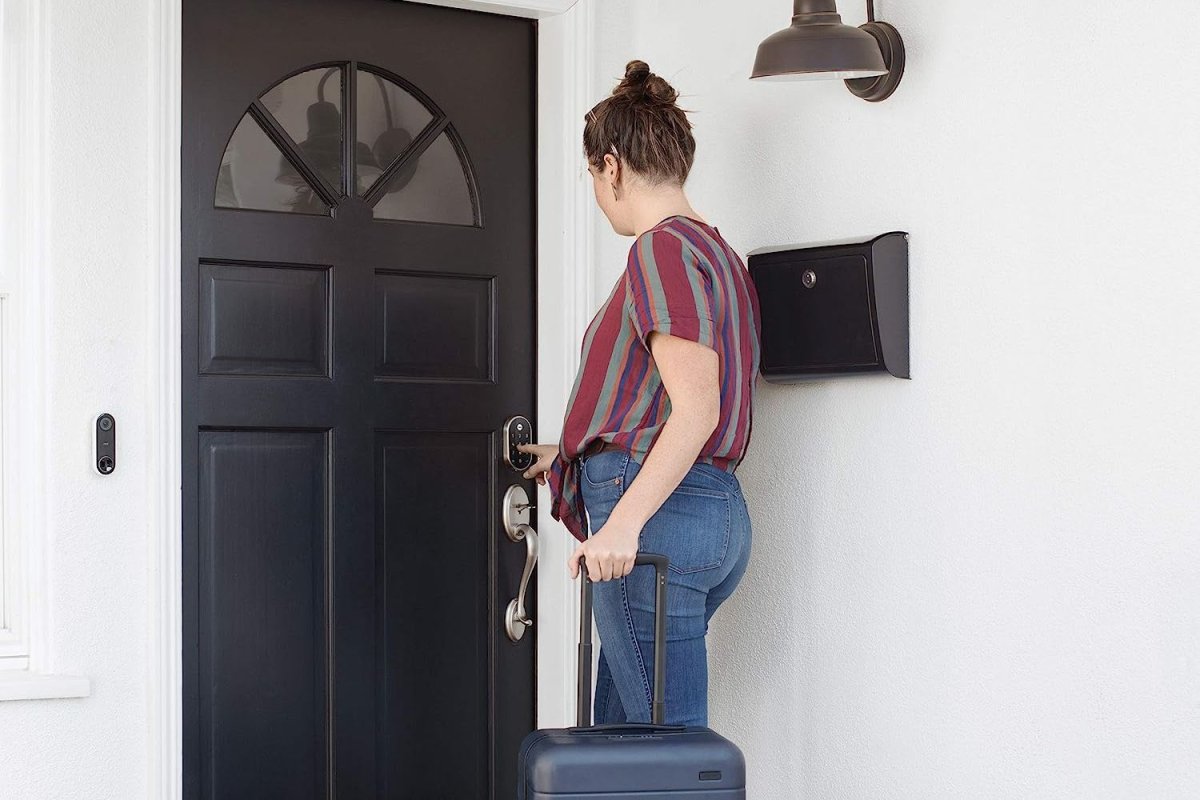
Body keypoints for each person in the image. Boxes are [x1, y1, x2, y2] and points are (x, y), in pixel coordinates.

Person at [517, 59, 761, 728]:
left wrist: (622, 522)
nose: (597, 193)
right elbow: (664, 398)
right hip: (702, 510)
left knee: (665, 753)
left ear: (613, 166)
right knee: (623, 740)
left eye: (593, 177)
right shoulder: (716, 254)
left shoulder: (661, 249)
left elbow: (698, 405)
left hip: (658, 520)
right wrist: (568, 448)